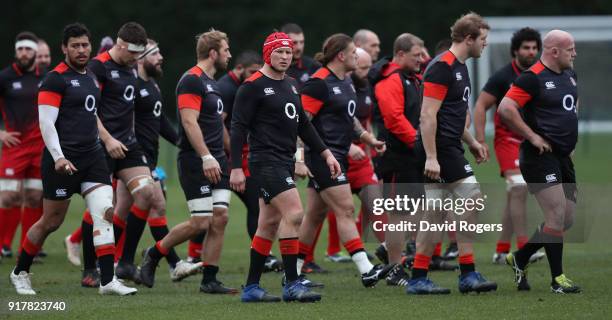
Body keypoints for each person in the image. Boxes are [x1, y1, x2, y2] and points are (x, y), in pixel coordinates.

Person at [9, 22, 137, 296]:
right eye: (75, 46)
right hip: (62, 162)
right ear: (64, 49)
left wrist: (104, 141)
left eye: (85, 45)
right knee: (50, 222)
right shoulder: (55, 79)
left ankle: (107, 280)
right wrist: (58, 157)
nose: (81, 50)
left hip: (92, 158)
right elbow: (46, 124)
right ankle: (20, 272)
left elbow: (92, 116)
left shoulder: (92, 76)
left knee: (105, 211)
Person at [231, 31, 340, 303]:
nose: (284, 56)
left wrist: (326, 153)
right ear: (268, 53)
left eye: (288, 52)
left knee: (267, 224)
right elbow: (237, 128)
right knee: (294, 214)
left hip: (284, 160)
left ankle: (251, 288)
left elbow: (303, 124)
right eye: (279, 51)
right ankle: (292, 283)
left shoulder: (291, 85)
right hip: (264, 161)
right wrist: (234, 167)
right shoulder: (252, 85)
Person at [139, 29, 237, 294]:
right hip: (197, 161)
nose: (230, 55)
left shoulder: (213, 83)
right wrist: (206, 157)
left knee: (221, 217)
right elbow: (188, 122)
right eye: (226, 50)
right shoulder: (191, 80)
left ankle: (210, 280)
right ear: (213, 53)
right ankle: (155, 253)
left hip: (218, 161)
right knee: (201, 222)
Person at [407, 12, 497, 294]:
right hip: (441, 149)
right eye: (482, 40)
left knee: (434, 213)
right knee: (472, 198)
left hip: (448, 146)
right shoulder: (442, 67)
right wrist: (432, 156)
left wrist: (471, 141)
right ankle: (467, 273)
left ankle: (419, 277)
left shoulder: (459, 66)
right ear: (468, 39)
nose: (485, 45)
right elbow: (427, 116)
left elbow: (451, 116)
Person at [296, 33, 390, 289]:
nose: (356, 58)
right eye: (352, 53)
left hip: (337, 158)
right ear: (340, 55)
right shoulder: (318, 83)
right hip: (323, 157)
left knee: (314, 216)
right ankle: (367, 269)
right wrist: (299, 159)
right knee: (346, 210)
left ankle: (292, 274)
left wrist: (367, 138)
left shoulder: (345, 81)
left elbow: (349, 118)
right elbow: (300, 124)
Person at [499, 29, 581, 294]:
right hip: (539, 158)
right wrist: (533, 136)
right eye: (571, 49)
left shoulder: (570, 75)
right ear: (555, 51)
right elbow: (505, 108)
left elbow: (571, 107)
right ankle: (557, 280)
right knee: (556, 214)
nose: (575, 54)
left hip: (562, 157)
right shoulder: (531, 78)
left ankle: (519, 258)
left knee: (565, 219)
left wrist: (570, 140)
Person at [86, 22, 157, 283]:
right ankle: (89, 268)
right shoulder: (98, 67)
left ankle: (126, 261)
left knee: (147, 194)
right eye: (134, 54)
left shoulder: (132, 67)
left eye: (141, 55)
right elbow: (88, 109)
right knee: (99, 207)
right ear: (121, 45)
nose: (137, 60)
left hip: (128, 145)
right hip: (100, 145)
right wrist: (107, 139)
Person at [472, 27, 546, 264]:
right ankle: (525, 249)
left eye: (535, 47)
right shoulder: (503, 76)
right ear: (515, 50)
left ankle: (502, 251)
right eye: (526, 47)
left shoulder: (541, 74)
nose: (531, 52)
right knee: (519, 188)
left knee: (515, 194)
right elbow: (481, 106)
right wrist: (480, 140)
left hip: (532, 141)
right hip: (507, 141)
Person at [373, 33, 426, 286]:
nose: (422, 59)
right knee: (398, 214)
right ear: (401, 54)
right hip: (397, 156)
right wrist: (417, 141)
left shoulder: (410, 78)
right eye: (417, 55)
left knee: (417, 210)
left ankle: (390, 250)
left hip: (411, 155)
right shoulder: (390, 79)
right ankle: (394, 269)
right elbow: (393, 118)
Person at [0, 31, 45, 260]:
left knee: (35, 197)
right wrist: (1, 133)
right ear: (16, 52)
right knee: (8, 197)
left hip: (39, 149)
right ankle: (2, 244)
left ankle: (26, 250)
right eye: (20, 49)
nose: (24, 53)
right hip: (14, 148)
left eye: (28, 49)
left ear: (36, 53)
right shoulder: (5, 77)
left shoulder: (46, 78)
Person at [281, 23, 321, 88]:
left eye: (302, 42)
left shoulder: (313, 66)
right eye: (294, 43)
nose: (299, 48)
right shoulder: (273, 68)